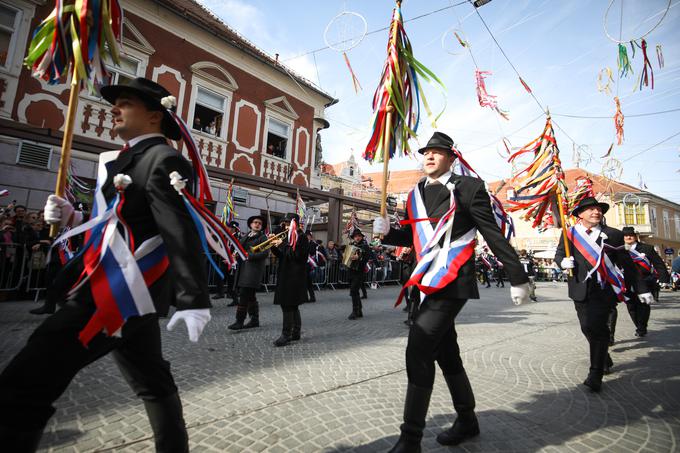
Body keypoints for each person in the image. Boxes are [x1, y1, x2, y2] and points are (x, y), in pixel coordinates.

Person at [0, 78, 213, 451]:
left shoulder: (164, 159)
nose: (114, 108)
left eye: (125, 102)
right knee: (153, 383)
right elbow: (119, 221)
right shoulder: (126, 158)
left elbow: (178, 230)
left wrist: (193, 299)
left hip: (118, 293)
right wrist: (72, 218)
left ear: (152, 115)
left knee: (24, 385)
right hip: (121, 289)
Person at [373, 132, 530, 451]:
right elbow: (416, 239)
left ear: (451, 158)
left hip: (454, 280)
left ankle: (410, 439)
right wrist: (389, 233)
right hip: (426, 281)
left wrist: (518, 276)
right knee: (446, 354)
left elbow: (492, 233)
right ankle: (467, 420)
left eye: (438, 152)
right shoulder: (415, 193)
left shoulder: (469, 188)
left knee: (417, 350)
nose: (429, 156)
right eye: (426, 152)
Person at [555, 197, 652, 393]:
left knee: (598, 328)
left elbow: (627, 264)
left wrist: (642, 288)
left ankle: (595, 373)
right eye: (590, 209)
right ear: (579, 215)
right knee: (587, 328)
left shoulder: (613, 235)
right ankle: (603, 355)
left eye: (598, 209)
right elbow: (559, 255)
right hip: (580, 289)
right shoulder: (569, 234)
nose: (596, 212)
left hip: (604, 289)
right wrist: (562, 262)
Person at [620, 226, 670, 337]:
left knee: (643, 304)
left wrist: (663, 278)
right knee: (631, 306)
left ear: (635, 237)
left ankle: (642, 328)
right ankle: (638, 325)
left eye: (631, 235)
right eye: (626, 236)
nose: (628, 237)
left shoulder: (647, 248)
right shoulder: (620, 249)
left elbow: (658, 263)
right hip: (627, 281)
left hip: (645, 279)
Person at [270, 214, 309, 347]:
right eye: (284, 223)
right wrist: (273, 246)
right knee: (292, 305)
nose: (285, 226)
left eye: (288, 223)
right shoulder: (288, 237)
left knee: (287, 304)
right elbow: (282, 256)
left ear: (295, 223)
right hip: (285, 273)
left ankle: (286, 335)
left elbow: (297, 256)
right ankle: (296, 332)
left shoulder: (301, 237)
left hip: (295, 276)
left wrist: (282, 244)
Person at [229, 215, 268, 330]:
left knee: (244, 294)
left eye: (259, 223)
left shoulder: (263, 237)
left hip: (253, 270)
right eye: (255, 222)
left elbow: (265, 253)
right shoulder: (245, 236)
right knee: (250, 296)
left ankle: (239, 321)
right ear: (250, 224)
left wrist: (249, 256)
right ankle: (254, 319)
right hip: (243, 268)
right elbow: (239, 248)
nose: (257, 224)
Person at [213, 221, 240, 307]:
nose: (227, 228)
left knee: (231, 280)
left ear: (233, 228)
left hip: (232, 262)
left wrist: (230, 259)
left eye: (229, 227)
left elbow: (237, 249)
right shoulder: (227, 236)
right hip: (225, 260)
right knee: (219, 275)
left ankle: (233, 297)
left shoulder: (237, 236)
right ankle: (221, 292)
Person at [347, 229, 370, 320]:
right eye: (356, 236)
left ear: (361, 237)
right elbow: (346, 256)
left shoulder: (365, 246)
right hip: (351, 271)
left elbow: (366, 257)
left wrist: (359, 256)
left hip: (359, 272)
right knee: (354, 291)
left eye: (359, 236)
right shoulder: (351, 245)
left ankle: (355, 311)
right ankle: (359, 310)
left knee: (353, 291)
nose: (357, 237)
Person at [306, 232, 317, 302]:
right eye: (306, 236)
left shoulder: (313, 244)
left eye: (308, 236)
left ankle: (312, 297)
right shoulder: (303, 243)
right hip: (304, 264)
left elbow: (312, 252)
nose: (307, 237)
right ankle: (305, 297)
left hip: (309, 264)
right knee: (305, 282)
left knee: (309, 283)